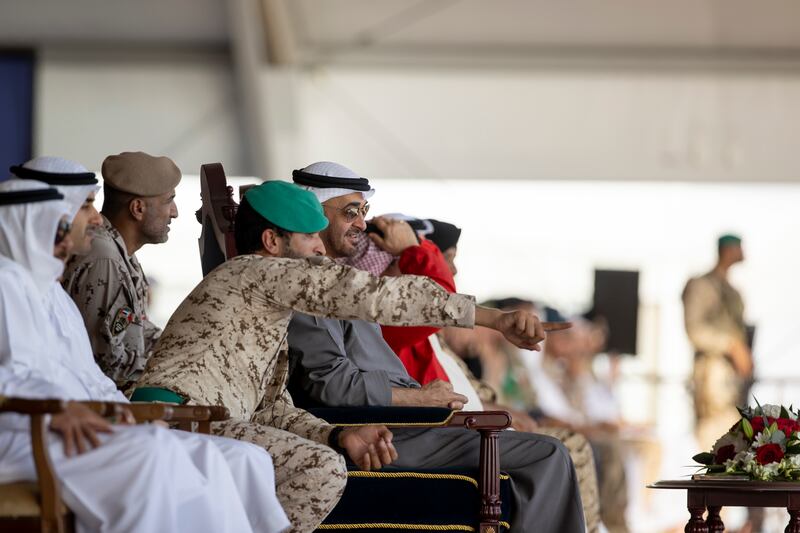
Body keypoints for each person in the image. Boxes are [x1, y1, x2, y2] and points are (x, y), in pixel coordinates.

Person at [288, 161, 585, 533]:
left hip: (416, 422)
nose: (362, 223)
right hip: (386, 431)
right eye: (351, 212)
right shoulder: (303, 286)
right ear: (313, 216)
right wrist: (417, 400)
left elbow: (416, 300)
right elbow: (331, 385)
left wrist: (495, 322)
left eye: (363, 212)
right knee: (550, 453)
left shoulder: (339, 284)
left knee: (553, 452)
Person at [0, 174, 289, 533]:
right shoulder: (6, 284)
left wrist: (127, 412)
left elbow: (87, 375)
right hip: (24, 432)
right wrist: (58, 407)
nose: (88, 223)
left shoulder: (50, 294)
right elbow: (13, 374)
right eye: (58, 225)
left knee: (238, 458)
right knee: (157, 454)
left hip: (73, 424)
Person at [62, 151, 177, 387]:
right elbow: (106, 363)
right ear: (138, 208)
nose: (175, 212)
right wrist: (170, 370)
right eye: (168, 201)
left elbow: (140, 331)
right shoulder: (105, 257)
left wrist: (187, 348)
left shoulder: (121, 252)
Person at [682, 234, 751, 451]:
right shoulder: (702, 285)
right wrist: (731, 346)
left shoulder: (733, 290)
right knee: (715, 446)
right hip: (712, 381)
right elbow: (695, 329)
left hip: (734, 382)